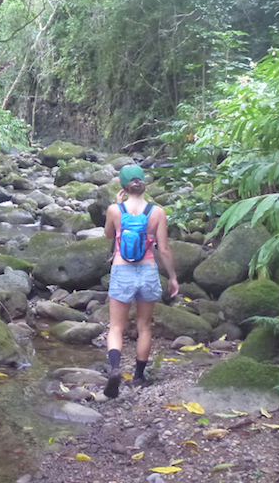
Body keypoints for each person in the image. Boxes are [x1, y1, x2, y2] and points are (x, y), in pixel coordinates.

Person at [102, 164, 178, 398]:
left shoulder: (115, 210)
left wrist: (116, 205)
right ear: (144, 183)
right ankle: (138, 376)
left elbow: (107, 235)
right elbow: (163, 249)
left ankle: (115, 369)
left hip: (122, 270)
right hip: (147, 270)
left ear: (123, 186)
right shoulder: (157, 212)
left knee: (116, 326)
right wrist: (173, 277)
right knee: (144, 326)